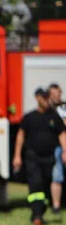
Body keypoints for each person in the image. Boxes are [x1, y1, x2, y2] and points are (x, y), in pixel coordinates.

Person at [13, 87, 66, 225]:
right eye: (43, 97)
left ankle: (39, 211)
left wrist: (65, 151)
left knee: (44, 185)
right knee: (35, 184)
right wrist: (17, 155)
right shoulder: (30, 117)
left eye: (47, 96)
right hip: (33, 157)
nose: (46, 99)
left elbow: (62, 134)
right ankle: (37, 214)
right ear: (37, 98)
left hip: (49, 158)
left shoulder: (54, 117)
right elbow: (20, 135)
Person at [49, 83, 66, 215]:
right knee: (57, 175)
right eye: (54, 94)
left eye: (59, 93)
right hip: (55, 147)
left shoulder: (63, 108)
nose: (57, 96)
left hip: (62, 146)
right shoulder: (48, 110)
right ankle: (56, 206)